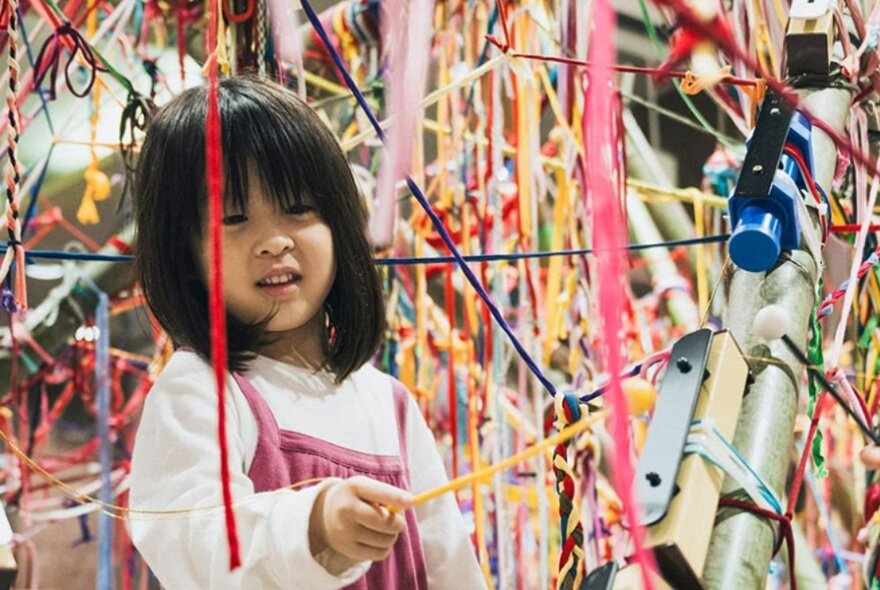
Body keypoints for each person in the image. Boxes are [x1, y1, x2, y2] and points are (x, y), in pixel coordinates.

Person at [127, 76, 485, 589]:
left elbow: (451, 566)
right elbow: (193, 542)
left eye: (298, 209)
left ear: (339, 225)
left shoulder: (391, 404)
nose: (274, 241)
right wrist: (315, 528)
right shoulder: (200, 389)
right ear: (187, 256)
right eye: (234, 217)